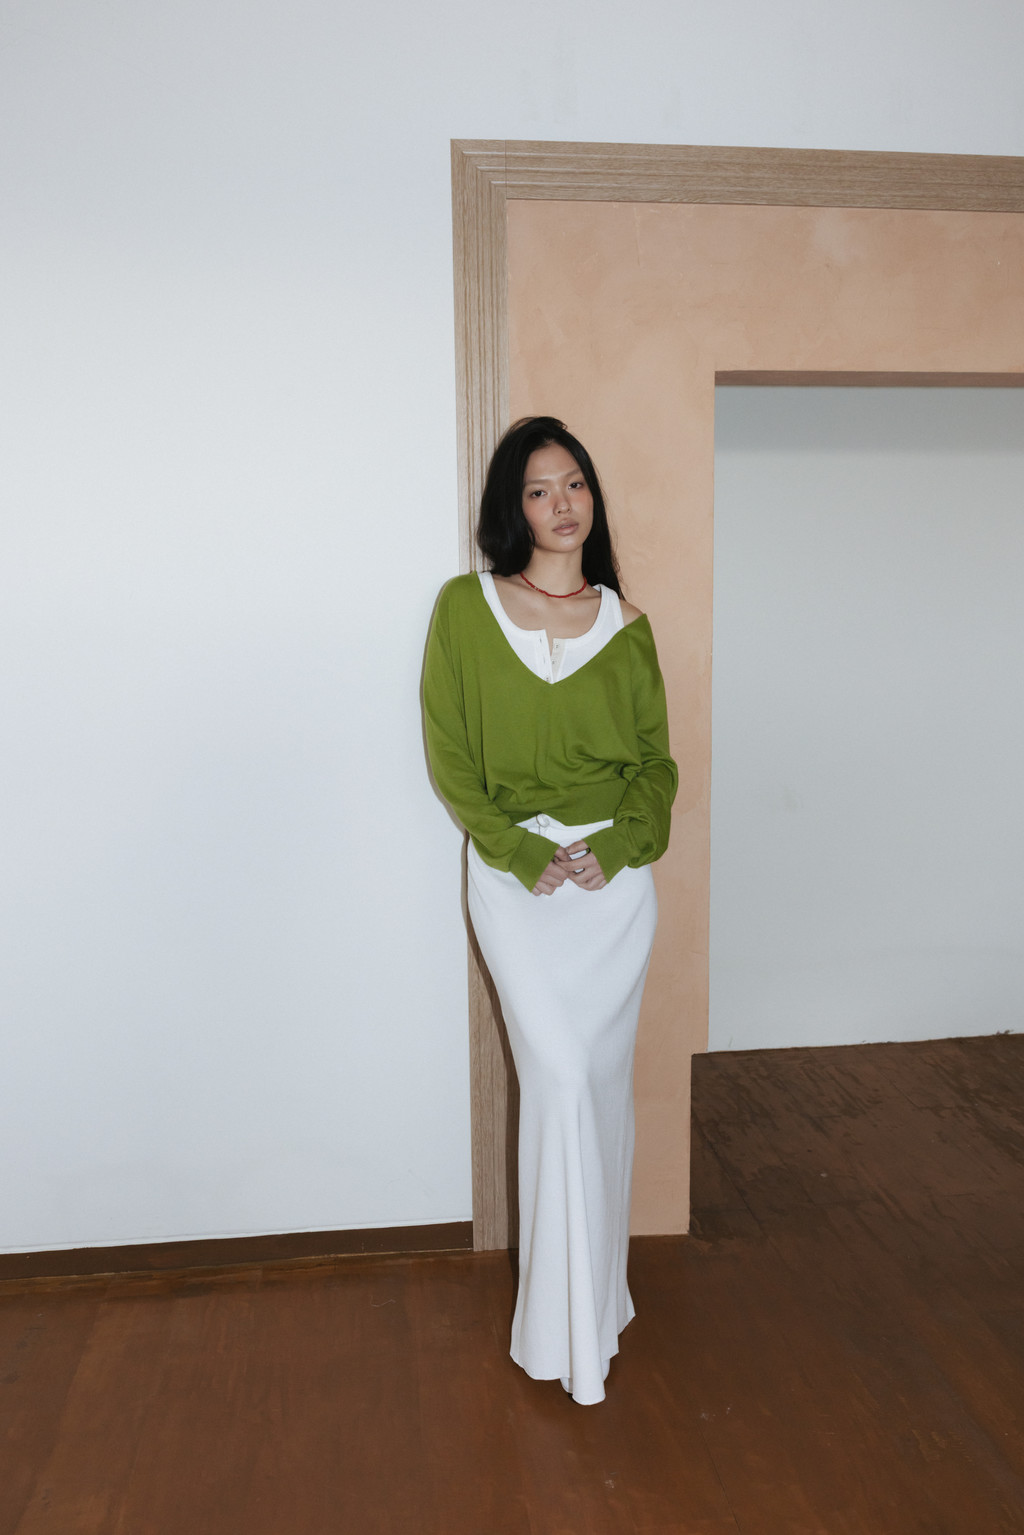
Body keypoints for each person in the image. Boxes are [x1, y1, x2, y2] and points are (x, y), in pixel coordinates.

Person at [423, 416, 677, 1405]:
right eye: (539, 488)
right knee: (561, 1080)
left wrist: (617, 845)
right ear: (513, 507)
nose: (562, 503)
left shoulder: (629, 626)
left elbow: (654, 767)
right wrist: (521, 848)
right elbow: (451, 754)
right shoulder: (465, 607)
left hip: (612, 890)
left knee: (598, 1091)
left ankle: (594, 1310)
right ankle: (560, 1329)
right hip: (513, 880)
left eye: (574, 483)